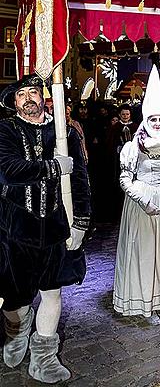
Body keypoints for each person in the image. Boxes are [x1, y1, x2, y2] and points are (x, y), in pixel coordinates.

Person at [0, 74, 91, 383]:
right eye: (22, 93)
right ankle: (17, 330)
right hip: (15, 228)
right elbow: (8, 171)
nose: (29, 97)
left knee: (52, 294)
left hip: (54, 227)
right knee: (16, 300)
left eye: (33, 92)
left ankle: (43, 359)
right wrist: (53, 167)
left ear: (42, 96)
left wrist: (80, 222)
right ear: (14, 102)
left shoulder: (64, 132)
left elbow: (79, 179)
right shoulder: (6, 129)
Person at [113, 65, 160, 325]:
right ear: (145, 120)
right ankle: (144, 302)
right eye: (152, 119)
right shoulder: (133, 147)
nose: (156, 123)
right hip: (140, 204)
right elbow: (124, 179)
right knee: (144, 253)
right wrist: (143, 200)